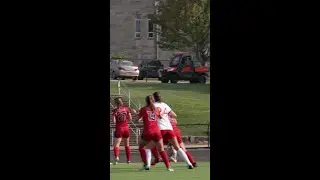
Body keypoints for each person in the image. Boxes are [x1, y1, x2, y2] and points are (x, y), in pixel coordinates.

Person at [152, 92, 194, 169]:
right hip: (169, 128)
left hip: (160, 129)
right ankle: (189, 164)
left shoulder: (153, 106)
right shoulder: (164, 104)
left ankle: (157, 160)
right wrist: (166, 116)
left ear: (153, 98)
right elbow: (174, 115)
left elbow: (151, 116)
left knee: (152, 146)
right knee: (178, 147)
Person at [136, 95, 173, 171]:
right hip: (156, 131)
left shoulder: (143, 109)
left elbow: (137, 119)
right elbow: (160, 117)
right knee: (161, 150)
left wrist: (137, 114)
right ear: (153, 100)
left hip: (147, 132)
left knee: (141, 146)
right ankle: (168, 167)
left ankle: (146, 164)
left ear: (146, 101)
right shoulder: (156, 109)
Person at [111, 97, 132, 164]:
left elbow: (113, 121)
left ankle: (116, 157)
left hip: (119, 128)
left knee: (116, 145)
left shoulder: (115, 110)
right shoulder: (126, 109)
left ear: (115, 103)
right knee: (127, 145)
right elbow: (130, 119)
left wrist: (114, 115)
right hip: (126, 128)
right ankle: (128, 160)